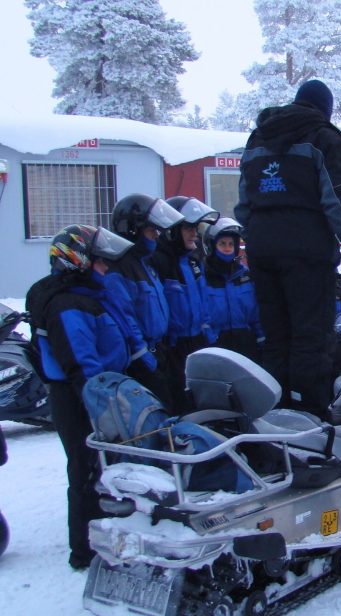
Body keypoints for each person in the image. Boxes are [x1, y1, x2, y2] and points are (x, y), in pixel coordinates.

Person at [234, 78, 341, 416]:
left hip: (263, 254)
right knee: (310, 339)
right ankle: (310, 421)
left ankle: (272, 413)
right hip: (307, 255)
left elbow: (243, 202)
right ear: (325, 109)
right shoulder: (325, 138)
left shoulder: (258, 139)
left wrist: (256, 240)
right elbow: (339, 200)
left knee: (276, 338)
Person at [25, 224, 135, 570]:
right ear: (79, 262)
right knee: (87, 471)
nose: (106, 270)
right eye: (101, 264)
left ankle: (103, 538)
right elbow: (81, 362)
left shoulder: (81, 296)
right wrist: (100, 408)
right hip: (81, 398)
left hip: (94, 391)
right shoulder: (68, 304)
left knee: (101, 468)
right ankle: (85, 551)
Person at [105, 193, 185, 410]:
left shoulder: (144, 264)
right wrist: (141, 353)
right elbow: (124, 315)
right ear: (133, 230)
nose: (156, 237)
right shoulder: (119, 268)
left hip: (160, 350)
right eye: (151, 231)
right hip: (141, 358)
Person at [150, 196, 219, 413]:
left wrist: (208, 333)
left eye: (195, 228)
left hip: (197, 343)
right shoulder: (158, 262)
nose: (194, 233)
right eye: (188, 228)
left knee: (203, 403)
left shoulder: (193, 259)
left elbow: (203, 300)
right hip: (172, 348)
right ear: (171, 230)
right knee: (179, 406)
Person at [202, 217, 265, 363]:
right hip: (216, 344)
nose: (227, 248)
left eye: (231, 244)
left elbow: (257, 313)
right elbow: (201, 314)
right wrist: (210, 339)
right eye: (222, 243)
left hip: (246, 342)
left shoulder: (245, 275)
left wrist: (261, 338)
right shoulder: (204, 278)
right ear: (212, 246)